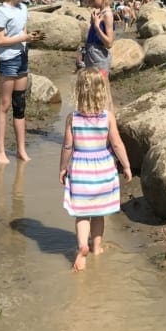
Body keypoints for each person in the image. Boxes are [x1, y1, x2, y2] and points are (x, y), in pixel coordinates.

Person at [59, 67, 132, 272]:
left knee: (82, 214)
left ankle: (82, 245)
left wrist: (62, 169)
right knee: (99, 213)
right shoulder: (107, 117)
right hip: (103, 170)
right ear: (102, 91)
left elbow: (67, 147)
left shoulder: (72, 118)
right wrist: (126, 165)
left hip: (81, 170)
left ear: (79, 91)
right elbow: (117, 144)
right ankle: (96, 248)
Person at [0, 0, 39, 164]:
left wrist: (31, 37)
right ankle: (1, 151)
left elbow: (23, 33)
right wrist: (23, 38)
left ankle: (21, 149)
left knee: (20, 105)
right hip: (8, 60)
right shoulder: (1, 11)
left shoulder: (23, 8)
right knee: (5, 104)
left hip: (22, 58)